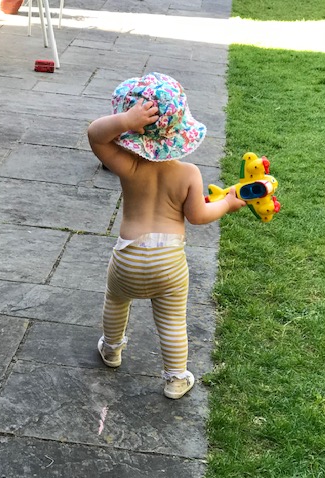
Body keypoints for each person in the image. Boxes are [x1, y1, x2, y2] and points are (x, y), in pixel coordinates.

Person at [87, 72, 245, 399]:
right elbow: (198, 215)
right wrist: (227, 203)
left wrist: (125, 121)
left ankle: (112, 350)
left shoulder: (129, 167)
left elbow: (95, 135)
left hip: (129, 256)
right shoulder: (188, 173)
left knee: (116, 300)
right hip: (169, 263)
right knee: (172, 319)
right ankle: (176, 378)